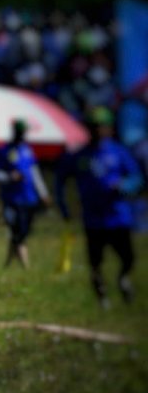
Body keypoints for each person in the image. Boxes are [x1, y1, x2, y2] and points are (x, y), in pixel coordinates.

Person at [56, 107, 144, 307]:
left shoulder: (119, 152)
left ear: (109, 128)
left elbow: (137, 177)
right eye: (94, 126)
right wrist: (64, 207)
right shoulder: (80, 156)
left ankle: (123, 278)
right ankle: (102, 295)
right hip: (93, 219)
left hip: (118, 217)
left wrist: (124, 186)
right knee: (95, 262)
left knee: (128, 258)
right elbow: (60, 179)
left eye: (101, 126)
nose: (98, 130)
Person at [0, 119, 50, 268]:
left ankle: (8, 263)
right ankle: (25, 265)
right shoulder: (4, 151)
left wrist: (43, 193)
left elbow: (34, 173)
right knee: (17, 231)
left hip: (29, 198)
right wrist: (10, 177)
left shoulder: (27, 150)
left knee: (24, 232)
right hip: (12, 199)